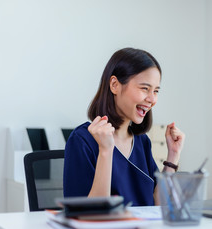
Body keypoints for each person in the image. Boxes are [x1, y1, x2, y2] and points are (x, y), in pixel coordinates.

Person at [63, 47, 185, 206]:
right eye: (145, 88)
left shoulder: (142, 142)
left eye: (156, 91)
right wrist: (105, 151)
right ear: (115, 85)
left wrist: (173, 156)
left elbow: (159, 207)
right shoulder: (83, 140)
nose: (152, 99)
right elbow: (89, 214)